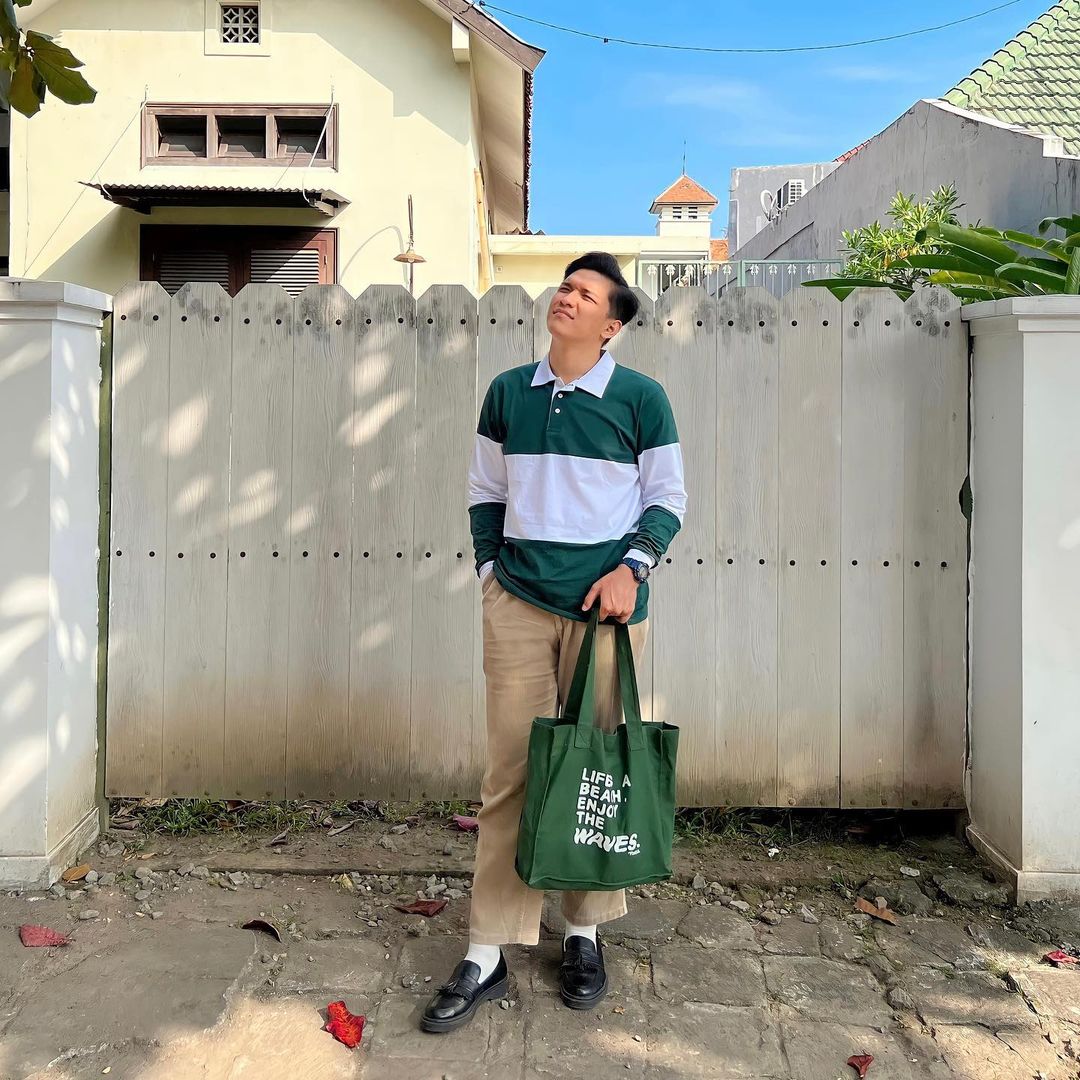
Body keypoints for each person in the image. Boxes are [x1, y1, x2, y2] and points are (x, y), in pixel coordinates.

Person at [421, 252, 687, 1034]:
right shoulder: (509, 392)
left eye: (585, 293)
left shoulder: (641, 399)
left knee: (592, 771)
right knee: (511, 771)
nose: (566, 297)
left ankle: (582, 933)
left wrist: (633, 569)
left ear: (612, 326)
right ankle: (488, 950)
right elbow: (485, 493)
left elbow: (667, 500)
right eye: (565, 286)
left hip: (605, 615)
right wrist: (491, 575)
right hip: (519, 605)